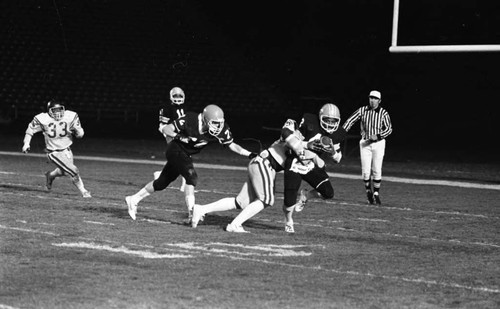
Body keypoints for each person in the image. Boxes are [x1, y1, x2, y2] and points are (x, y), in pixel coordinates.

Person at [125, 104, 256, 222]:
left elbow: (232, 145)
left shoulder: (220, 129)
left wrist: (249, 154)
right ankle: (192, 212)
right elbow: (167, 129)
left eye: (219, 123)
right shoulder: (190, 119)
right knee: (191, 176)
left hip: (185, 154)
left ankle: (133, 199)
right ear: (205, 119)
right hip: (175, 149)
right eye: (214, 123)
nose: (218, 127)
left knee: (161, 183)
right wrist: (181, 137)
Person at [191, 118, 324, 233]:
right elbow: (288, 137)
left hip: (262, 165)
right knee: (266, 200)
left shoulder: (302, 143)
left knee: (241, 201)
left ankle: (201, 209)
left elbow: (308, 156)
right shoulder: (291, 132)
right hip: (265, 164)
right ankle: (234, 225)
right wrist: (307, 145)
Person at [282, 103, 347, 233]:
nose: (330, 123)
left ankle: (306, 195)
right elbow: (289, 141)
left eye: (333, 121)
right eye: (327, 120)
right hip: (296, 160)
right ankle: (288, 220)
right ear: (320, 117)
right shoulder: (309, 121)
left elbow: (337, 159)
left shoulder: (338, 133)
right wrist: (308, 145)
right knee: (289, 198)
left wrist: (332, 151)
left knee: (328, 193)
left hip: (312, 165)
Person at [21, 99, 91, 198]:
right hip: (53, 152)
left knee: (64, 172)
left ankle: (50, 175)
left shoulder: (70, 116)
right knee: (73, 170)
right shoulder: (43, 119)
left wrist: (79, 133)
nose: (58, 113)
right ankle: (84, 191)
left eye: (60, 109)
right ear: (49, 110)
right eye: (55, 110)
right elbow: (30, 130)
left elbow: (79, 133)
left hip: (67, 149)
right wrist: (26, 143)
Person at [342, 90, 393, 205]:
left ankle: (376, 193)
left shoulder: (383, 113)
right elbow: (350, 121)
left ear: (379, 101)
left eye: (375, 98)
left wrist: (379, 136)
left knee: (376, 169)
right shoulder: (362, 110)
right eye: (371, 98)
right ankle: (368, 191)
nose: (372, 100)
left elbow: (389, 129)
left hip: (378, 144)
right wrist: (341, 133)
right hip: (365, 143)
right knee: (365, 172)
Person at [153, 86, 187, 191]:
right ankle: (186, 184)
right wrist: (171, 134)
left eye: (179, 95)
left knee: (180, 158)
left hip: (182, 135)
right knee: (183, 158)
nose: (177, 97)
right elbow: (162, 126)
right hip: (172, 135)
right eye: (175, 95)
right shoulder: (166, 108)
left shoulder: (185, 107)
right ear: (171, 97)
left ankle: (160, 174)